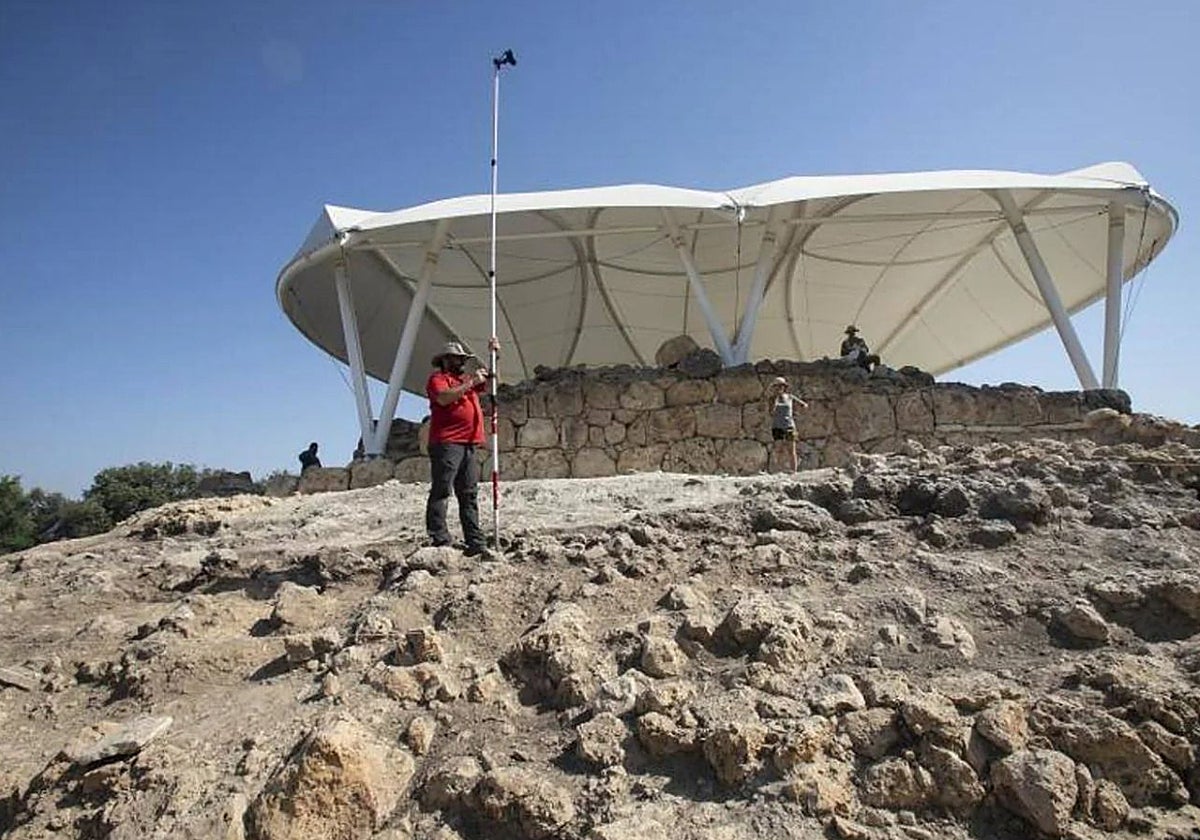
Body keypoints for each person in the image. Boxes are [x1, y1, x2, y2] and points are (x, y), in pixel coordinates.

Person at [425, 338, 499, 557]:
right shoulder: (438, 379)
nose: (461, 362)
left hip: (468, 443)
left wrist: (494, 356)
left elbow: (493, 381)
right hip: (447, 443)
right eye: (457, 359)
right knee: (442, 489)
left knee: (469, 493)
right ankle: (439, 536)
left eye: (462, 359)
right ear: (446, 360)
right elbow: (443, 399)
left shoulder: (465, 380)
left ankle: (474, 541)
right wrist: (470, 383)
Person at [767, 376, 807, 472]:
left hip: (789, 425)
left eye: (781, 386)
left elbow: (804, 405)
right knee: (778, 449)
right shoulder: (772, 399)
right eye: (777, 386)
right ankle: (778, 470)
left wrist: (796, 414)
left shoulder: (790, 397)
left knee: (791, 449)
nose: (779, 388)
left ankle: (794, 470)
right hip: (777, 426)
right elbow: (771, 412)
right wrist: (775, 401)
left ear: (784, 387)